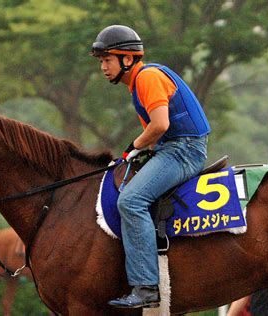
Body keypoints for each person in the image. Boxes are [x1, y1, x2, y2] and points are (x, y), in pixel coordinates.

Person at [90, 25, 211, 309]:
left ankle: (146, 286)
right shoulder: (138, 83)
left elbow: (161, 125)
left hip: (184, 150)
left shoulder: (148, 78)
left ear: (127, 59)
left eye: (108, 60)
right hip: (173, 148)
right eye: (101, 62)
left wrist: (133, 147)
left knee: (131, 201)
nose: (103, 67)